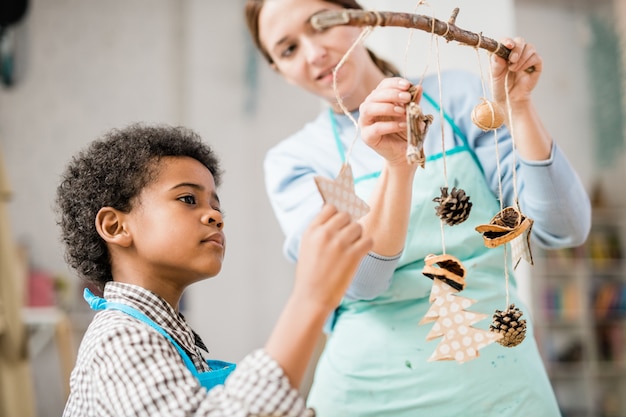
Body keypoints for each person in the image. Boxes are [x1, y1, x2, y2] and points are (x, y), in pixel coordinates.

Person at [244, 0, 591, 415]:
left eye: (321, 25)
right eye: (288, 50)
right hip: (368, 395)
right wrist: (398, 165)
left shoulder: (459, 97)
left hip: (501, 390)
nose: (313, 53)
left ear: (358, 16)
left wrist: (519, 107)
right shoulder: (296, 159)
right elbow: (361, 283)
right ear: (278, 70)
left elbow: (563, 227)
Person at [57, 123, 373, 416]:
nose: (215, 217)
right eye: (187, 199)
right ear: (115, 226)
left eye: (216, 206)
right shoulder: (119, 338)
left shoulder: (170, 339)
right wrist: (310, 298)